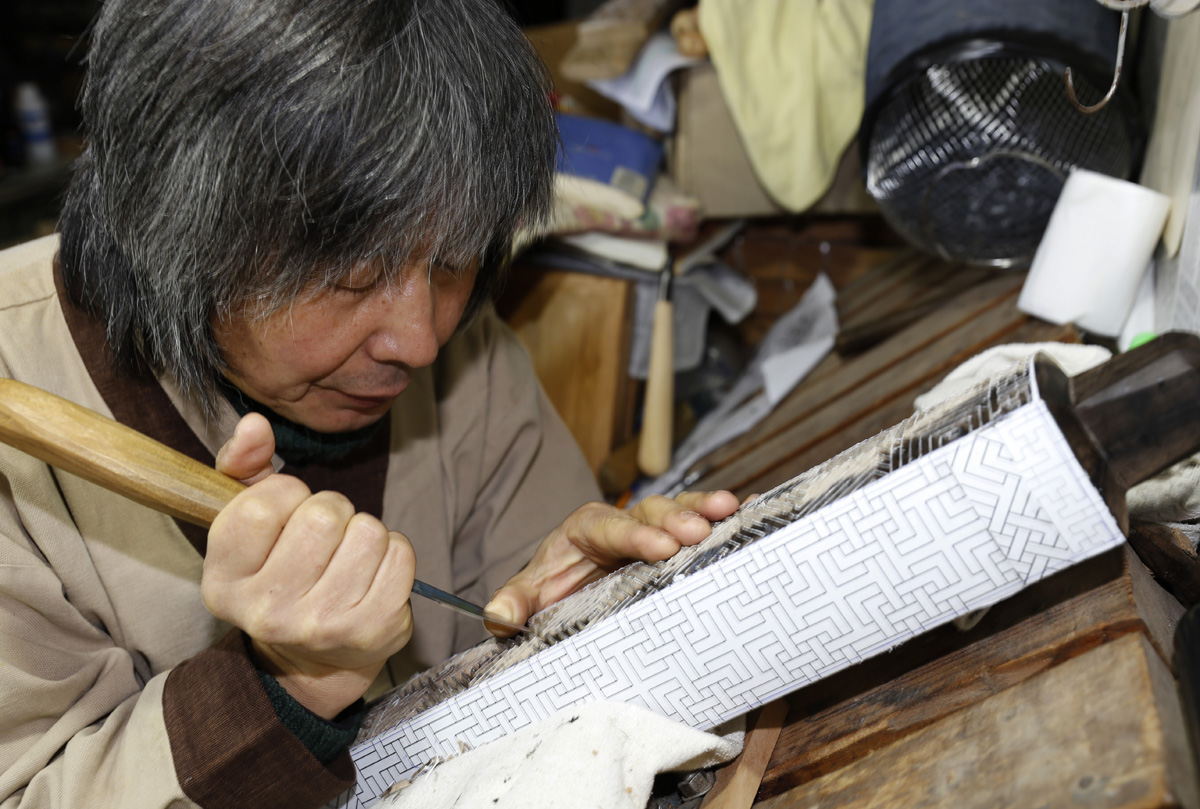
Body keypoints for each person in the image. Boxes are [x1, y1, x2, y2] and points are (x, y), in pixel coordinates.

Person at [0, 1, 739, 807]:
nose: (419, 341)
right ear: (176, 223)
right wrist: (280, 690)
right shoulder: (19, 396)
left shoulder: (466, 353)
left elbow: (538, 649)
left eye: (455, 260)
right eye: (355, 271)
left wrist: (580, 621)